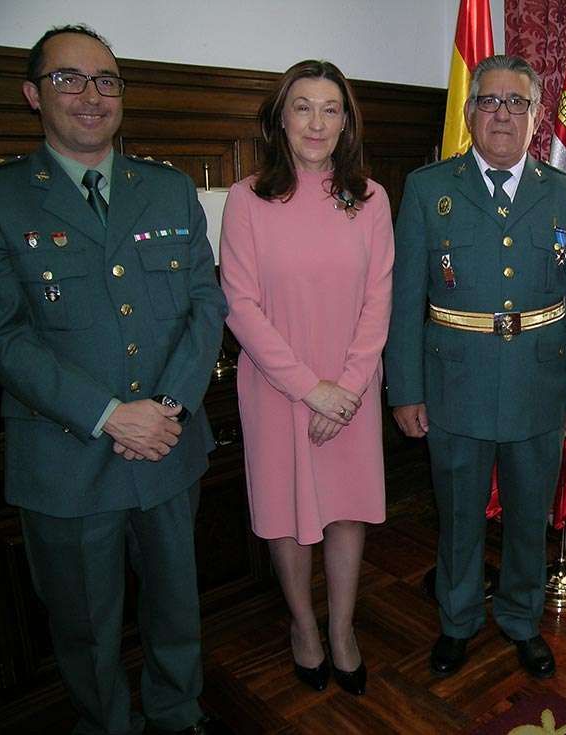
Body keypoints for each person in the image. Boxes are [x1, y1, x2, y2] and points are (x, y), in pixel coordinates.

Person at [0, 25, 228, 735]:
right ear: (34, 94)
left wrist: (165, 407)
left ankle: (176, 710)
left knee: (176, 605)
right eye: (70, 79)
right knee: (84, 625)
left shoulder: (165, 187)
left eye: (106, 81)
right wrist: (107, 414)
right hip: (67, 459)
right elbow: (5, 334)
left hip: (168, 444)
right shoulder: (7, 197)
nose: (91, 96)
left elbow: (205, 304)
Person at [385, 54, 566, 679]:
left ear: (537, 116)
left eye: (517, 102)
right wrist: (406, 389)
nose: (503, 113)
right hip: (454, 382)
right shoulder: (430, 189)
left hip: (541, 384)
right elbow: (405, 300)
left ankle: (520, 619)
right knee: (455, 515)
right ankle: (457, 621)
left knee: (529, 516)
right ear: (469, 111)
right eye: (490, 101)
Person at [219, 59, 392, 697]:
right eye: (302, 107)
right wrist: (310, 388)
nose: (316, 122)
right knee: (288, 514)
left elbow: (379, 300)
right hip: (277, 388)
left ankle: (342, 629)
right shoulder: (246, 199)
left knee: (346, 513)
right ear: (280, 117)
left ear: (346, 122)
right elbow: (240, 305)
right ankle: (303, 626)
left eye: (330, 109)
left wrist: (344, 390)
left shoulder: (370, 199)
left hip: (352, 385)